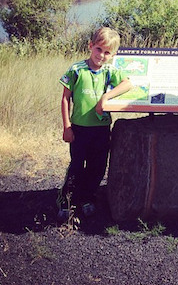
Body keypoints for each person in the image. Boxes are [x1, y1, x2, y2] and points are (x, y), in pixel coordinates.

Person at [57, 27, 132, 221]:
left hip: (101, 129)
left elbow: (127, 84)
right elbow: (65, 99)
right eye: (99, 49)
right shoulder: (76, 70)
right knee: (76, 166)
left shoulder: (110, 71)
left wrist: (106, 96)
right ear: (91, 46)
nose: (102, 55)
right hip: (79, 129)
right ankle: (66, 201)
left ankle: (87, 198)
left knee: (97, 167)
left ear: (113, 55)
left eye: (107, 52)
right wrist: (67, 127)